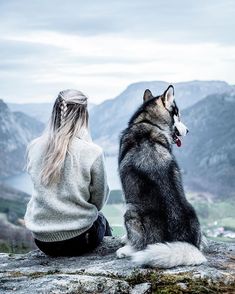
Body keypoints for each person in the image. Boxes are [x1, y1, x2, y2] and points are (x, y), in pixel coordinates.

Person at [24, 89, 112, 257]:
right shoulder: (92, 151)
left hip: (43, 241)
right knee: (101, 220)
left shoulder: (34, 147)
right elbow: (98, 201)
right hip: (79, 239)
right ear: (84, 115)